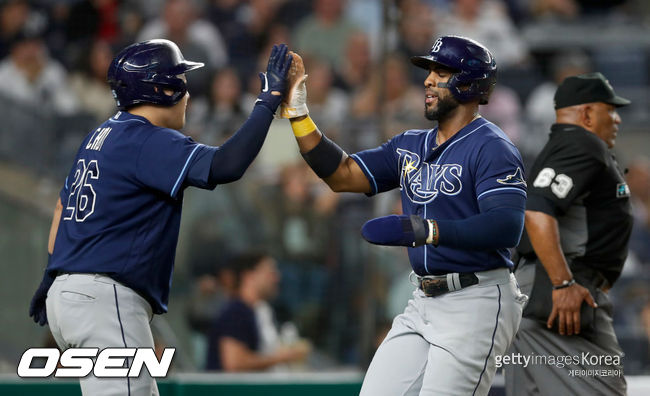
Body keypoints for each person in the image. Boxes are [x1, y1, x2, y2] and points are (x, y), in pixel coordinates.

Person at [27, 39, 292, 395]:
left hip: (71, 292)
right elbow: (225, 165)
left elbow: (63, 209)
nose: (187, 93)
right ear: (160, 89)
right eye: (179, 82)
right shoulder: (146, 139)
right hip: (105, 298)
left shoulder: (99, 135)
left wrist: (52, 275)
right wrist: (267, 103)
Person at [279, 35, 528, 395]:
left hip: (477, 300)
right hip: (423, 300)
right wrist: (299, 114)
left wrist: (426, 230)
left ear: (470, 84)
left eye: (440, 72)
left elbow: (506, 226)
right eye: (429, 71)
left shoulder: (493, 147)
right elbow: (342, 175)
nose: (427, 80)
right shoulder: (410, 144)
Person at [504, 72, 632, 395]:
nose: (617, 119)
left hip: (536, 295)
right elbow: (537, 212)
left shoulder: (560, 146)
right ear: (587, 113)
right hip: (559, 298)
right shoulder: (582, 143)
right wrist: (563, 283)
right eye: (610, 110)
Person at [205, 252, 311, 372]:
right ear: (249, 276)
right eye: (270, 272)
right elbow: (234, 363)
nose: (277, 278)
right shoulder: (235, 313)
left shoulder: (259, 312)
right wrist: (283, 357)